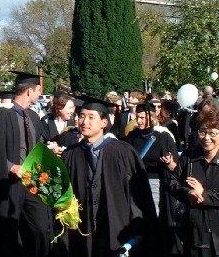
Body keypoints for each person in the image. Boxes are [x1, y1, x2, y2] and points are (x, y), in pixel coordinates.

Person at [61, 97, 157, 256]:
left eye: (91, 117)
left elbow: (136, 196)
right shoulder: (70, 155)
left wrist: (137, 227)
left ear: (104, 123)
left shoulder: (123, 153)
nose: (84, 121)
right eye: (82, 116)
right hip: (82, 229)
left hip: (116, 225)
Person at [0, 71, 52, 257]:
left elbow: (41, 142)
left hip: (33, 182)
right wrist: (11, 166)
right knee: (9, 232)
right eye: (38, 90)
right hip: (9, 184)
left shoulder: (33, 116)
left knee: (40, 228)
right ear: (30, 91)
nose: (40, 94)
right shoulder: (1, 116)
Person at [124, 101, 182, 255]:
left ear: (153, 117)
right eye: (138, 117)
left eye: (144, 117)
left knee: (153, 216)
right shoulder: (132, 136)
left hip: (154, 182)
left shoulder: (163, 137)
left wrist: (169, 163)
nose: (140, 121)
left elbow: (175, 165)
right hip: (135, 183)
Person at [169, 108, 219, 256]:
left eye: (213, 133)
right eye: (202, 132)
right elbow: (172, 183)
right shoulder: (189, 156)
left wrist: (203, 194)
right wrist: (188, 192)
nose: (207, 138)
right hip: (194, 231)